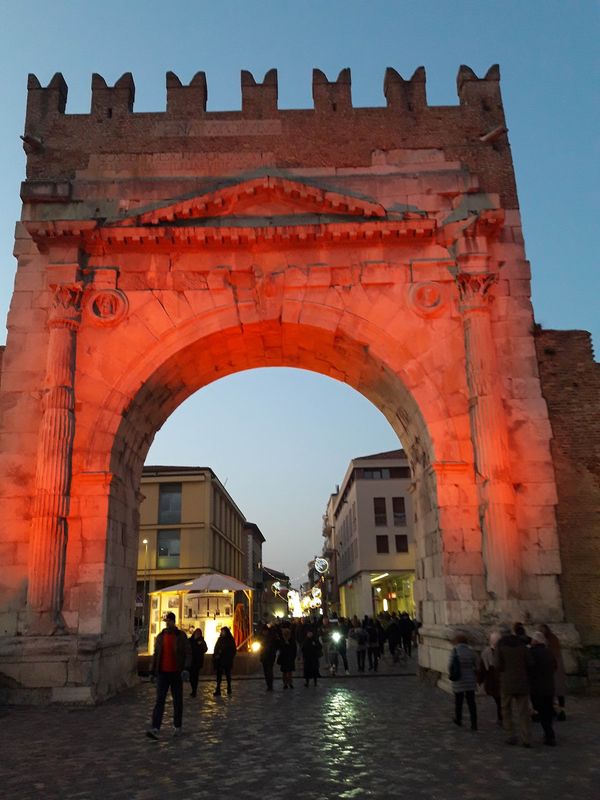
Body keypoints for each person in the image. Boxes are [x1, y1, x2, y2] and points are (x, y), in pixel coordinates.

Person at [147, 612, 190, 739]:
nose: (167, 623)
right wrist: (152, 671)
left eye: (169, 621)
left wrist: (186, 668)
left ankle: (177, 726)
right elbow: (156, 654)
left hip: (176, 673)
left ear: (173, 621)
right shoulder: (161, 636)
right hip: (162, 673)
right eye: (166, 622)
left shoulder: (181, 636)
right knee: (159, 700)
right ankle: (155, 727)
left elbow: (188, 652)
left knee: (177, 701)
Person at [495, 622, 534, 747]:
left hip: (507, 682)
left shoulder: (500, 646)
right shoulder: (521, 644)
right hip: (522, 681)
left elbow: (497, 665)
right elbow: (530, 662)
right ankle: (526, 738)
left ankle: (510, 735)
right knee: (523, 711)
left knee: (506, 709)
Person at [529, 631, 557, 746]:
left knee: (541, 711)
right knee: (548, 710)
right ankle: (548, 733)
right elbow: (555, 666)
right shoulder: (549, 652)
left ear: (535, 641)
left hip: (537, 687)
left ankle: (549, 734)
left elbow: (529, 668)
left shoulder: (532, 653)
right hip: (549, 686)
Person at [449, 633, 478, 730]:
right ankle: (474, 723)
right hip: (470, 679)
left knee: (459, 701)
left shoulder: (455, 651)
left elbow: (450, 665)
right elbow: (477, 664)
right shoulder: (471, 651)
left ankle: (459, 719)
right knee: (471, 702)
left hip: (459, 680)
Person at [539, 624, 567, 720]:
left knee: (555, 691)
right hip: (555, 667)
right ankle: (559, 710)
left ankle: (558, 711)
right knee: (558, 691)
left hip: (553, 668)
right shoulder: (553, 639)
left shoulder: (549, 641)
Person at [477, 631, 502, 725]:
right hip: (498, 680)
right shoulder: (502, 650)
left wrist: (480, 680)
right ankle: (502, 717)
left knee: (499, 700)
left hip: (493, 681)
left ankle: (502, 718)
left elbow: (482, 667)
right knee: (500, 701)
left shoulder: (486, 652)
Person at [213, 626, 237, 696]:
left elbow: (233, 650)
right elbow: (216, 648)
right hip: (219, 660)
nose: (222, 633)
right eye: (222, 631)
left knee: (227, 675)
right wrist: (216, 655)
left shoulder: (230, 640)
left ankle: (229, 688)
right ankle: (218, 689)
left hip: (227, 660)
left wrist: (228, 656)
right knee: (219, 676)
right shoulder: (220, 639)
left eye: (223, 631)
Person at [258, 623, 279, 691]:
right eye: (263, 631)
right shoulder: (261, 637)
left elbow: (276, 645)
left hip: (270, 655)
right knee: (265, 671)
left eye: (265, 631)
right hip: (264, 656)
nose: (264, 632)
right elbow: (258, 643)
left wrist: (272, 650)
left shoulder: (272, 637)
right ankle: (268, 684)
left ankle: (270, 685)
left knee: (269, 670)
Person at [188, 627, 208, 698]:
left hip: (197, 661)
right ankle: (193, 689)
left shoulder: (201, 641)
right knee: (191, 677)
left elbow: (205, 649)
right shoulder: (190, 640)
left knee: (195, 676)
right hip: (191, 661)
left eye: (198, 633)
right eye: (196, 633)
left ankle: (194, 690)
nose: (197, 634)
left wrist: (201, 645)